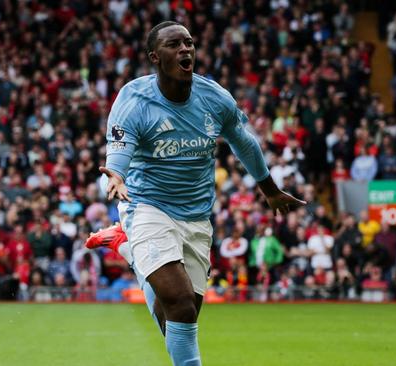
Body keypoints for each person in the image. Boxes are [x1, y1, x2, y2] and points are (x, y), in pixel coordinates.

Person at [85, 21, 305, 366]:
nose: (185, 49)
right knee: (181, 304)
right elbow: (119, 154)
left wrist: (270, 190)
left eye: (188, 43)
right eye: (175, 45)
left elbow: (243, 142)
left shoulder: (214, 98)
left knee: (176, 315)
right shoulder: (134, 100)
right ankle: (131, 242)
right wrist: (116, 176)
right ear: (155, 58)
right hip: (146, 206)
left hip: (196, 216)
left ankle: (126, 248)